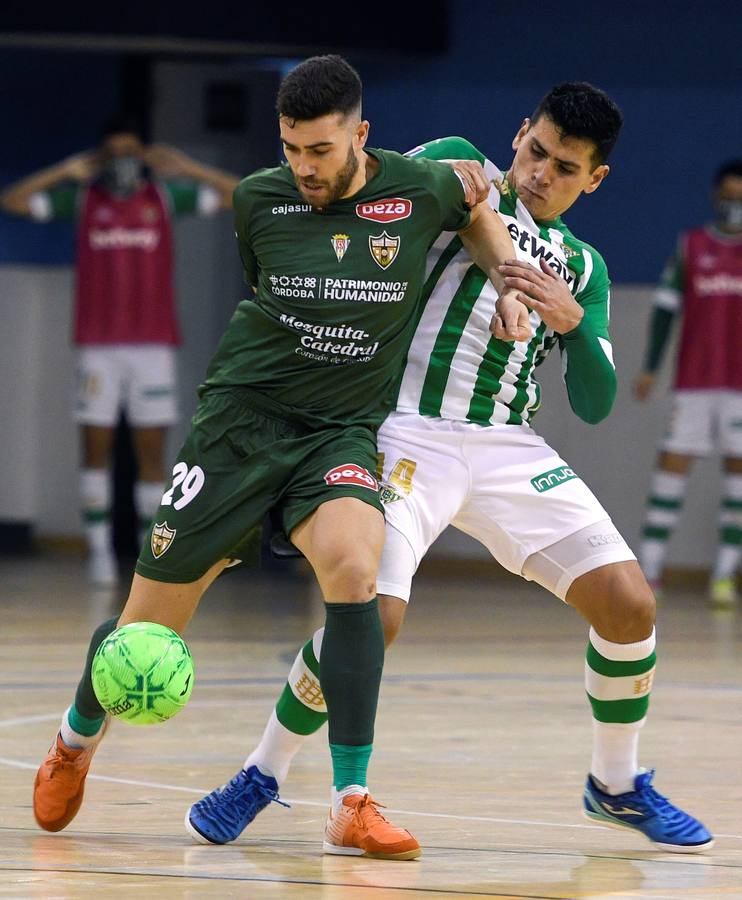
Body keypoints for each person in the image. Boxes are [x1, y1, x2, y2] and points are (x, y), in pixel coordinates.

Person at [188, 83, 714, 854]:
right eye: (535, 151)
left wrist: (569, 323)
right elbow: (376, 189)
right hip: (404, 431)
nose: (540, 173)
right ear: (517, 134)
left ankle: (616, 784)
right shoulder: (458, 168)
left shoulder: (585, 268)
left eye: (565, 168)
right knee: (373, 614)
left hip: (507, 445)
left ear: (594, 180)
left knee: (631, 606)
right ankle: (262, 773)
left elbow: (598, 402)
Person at [30, 55, 524, 861]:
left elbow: (476, 201)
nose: (303, 167)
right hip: (239, 427)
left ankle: (351, 799)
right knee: (141, 632)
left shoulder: (420, 186)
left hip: (336, 435)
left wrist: (507, 279)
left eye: (321, 150)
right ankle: (74, 739)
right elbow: (267, 288)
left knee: (357, 577)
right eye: (291, 147)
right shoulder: (260, 199)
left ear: (362, 136)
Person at [0, 115, 240, 586]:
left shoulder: (167, 198)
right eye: (113, 154)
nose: (123, 163)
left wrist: (187, 167)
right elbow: (13, 200)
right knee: (96, 449)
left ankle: (149, 553)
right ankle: (98, 552)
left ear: (144, 155)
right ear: (100, 158)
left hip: (152, 346)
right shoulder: (84, 199)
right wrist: (66, 171)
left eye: (131, 152)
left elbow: (240, 193)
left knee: (152, 452)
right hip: (99, 346)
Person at [634, 159, 742, 606]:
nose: (733, 206)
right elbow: (663, 310)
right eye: (728, 197)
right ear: (715, 196)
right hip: (695, 381)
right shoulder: (690, 246)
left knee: (737, 480)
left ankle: (723, 575)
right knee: (670, 472)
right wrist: (649, 367)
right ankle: (649, 570)